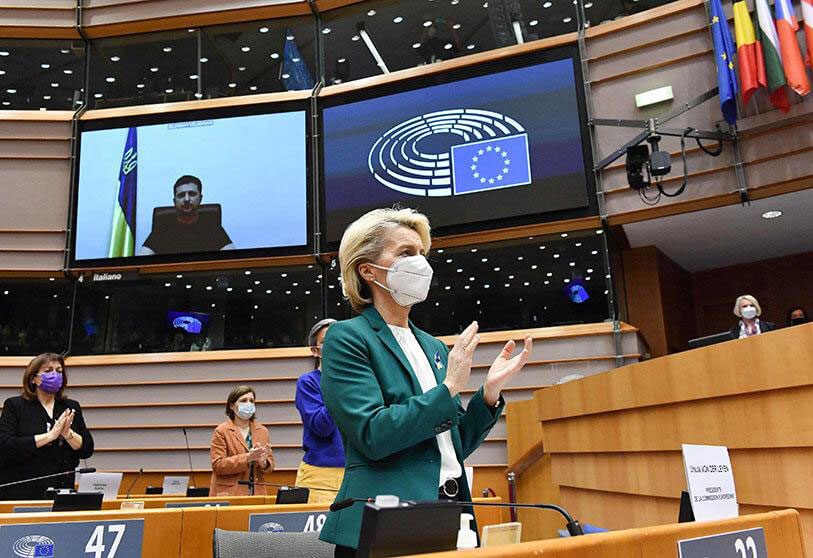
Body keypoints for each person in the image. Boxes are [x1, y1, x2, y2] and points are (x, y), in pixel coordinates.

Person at [318, 208, 533, 555]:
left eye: (422, 253)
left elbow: (451, 440)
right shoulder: (347, 338)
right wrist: (448, 389)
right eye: (405, 253)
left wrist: (488, 396)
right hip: (384, 519)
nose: (421, 263)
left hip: (449, 510)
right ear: (368, 270)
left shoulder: (432, 346)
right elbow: (372, 433)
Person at [0, 353, 94, 500]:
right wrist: (49, 436)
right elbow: (6, 446)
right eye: (49, 371)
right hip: (22, 492)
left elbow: (87, 449)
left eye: (59, 371)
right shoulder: (15, 406)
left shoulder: (70, 406)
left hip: (61, 491)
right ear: (33, 378)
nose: (55, 375)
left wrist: (68, 434)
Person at [294, 318, 345, 504]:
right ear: (316, 351)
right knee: (317, 533)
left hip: (356, 472)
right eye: (326, 341)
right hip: (321, 474)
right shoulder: (308, 382)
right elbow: (322, 426)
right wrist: (338, 382)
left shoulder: (361, 380)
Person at [138, 175, 234, 255]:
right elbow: (141, 259)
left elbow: (232, 257)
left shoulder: (211, 226)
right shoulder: (163, 228)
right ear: (174, 201)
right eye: (181, 195)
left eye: (192, 194)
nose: (187, 199)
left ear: (200, 198)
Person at [210, 385, 274, 496]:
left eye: (251, 401)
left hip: (256, 492)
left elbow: (270, 466)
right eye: (243, 401)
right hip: (230, 492)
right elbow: (218, 465)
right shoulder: (222, 431)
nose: (248, 404)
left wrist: (264, 463)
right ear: (231, 406)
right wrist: (248, 458)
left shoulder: (262, 431)